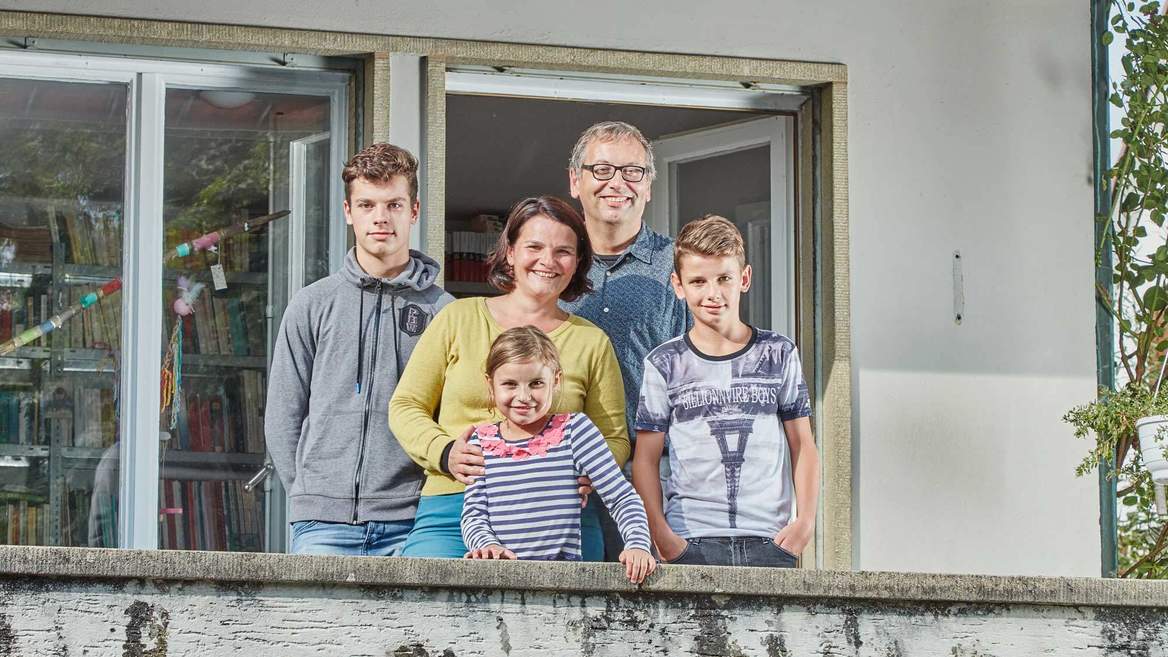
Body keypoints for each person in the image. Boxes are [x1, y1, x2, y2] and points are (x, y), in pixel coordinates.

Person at [390, 196, 628, 560]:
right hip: (457, 504)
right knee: (424, 607)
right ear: (511, 252)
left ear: (578, 262)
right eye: (534, 246)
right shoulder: (458, 318)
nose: (548, 261)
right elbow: (406, 406)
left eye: (563, 251)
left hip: (558, 514)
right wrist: (445, 452)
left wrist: (591, 471)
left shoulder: (590, 341)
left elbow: (613, 435)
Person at [265, 143, 453, 556]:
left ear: (414, 210)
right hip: (322, 523)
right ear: (349, 212)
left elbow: (455, 416)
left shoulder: (445, 312)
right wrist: (309, 491)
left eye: (394, 204)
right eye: (367, 205)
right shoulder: (312, 304)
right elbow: (283, 413)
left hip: (413, 520)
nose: (381, 218)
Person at [632, 215, 819, 568]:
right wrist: (660, 534)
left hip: (769, 537)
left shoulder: (779, 353)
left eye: (724, 279)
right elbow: (645, 458)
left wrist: (805, 523)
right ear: (678, 285)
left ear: (744, 279)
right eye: (698, 281)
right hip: (690, 537)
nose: (712, 293)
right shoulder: (664, 363)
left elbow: (803, 444)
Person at [560, 121, 689, 560]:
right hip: (562, 473)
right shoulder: (552, 262)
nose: (617, 183)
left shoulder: (681, 266)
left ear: (649, 186)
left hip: (656, 472)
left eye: (632, 172)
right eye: (602, 170)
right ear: (575, 180)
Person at [460, 326, 656, 583]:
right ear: (490, 384)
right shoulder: (482, 440)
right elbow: (474, 514)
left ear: (556, 380)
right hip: (500, 579)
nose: (524, 396)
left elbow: (621, 497)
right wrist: (487, 547)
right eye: (509, 384)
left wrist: (638, 545)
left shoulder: (575, 430)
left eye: (536, 383)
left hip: (563, 580)